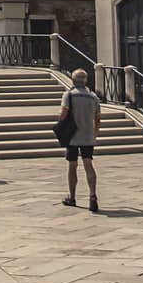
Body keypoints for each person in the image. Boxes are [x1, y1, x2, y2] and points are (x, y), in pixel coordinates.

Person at [57, 68, 100, 212]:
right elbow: (98, 119)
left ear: (73, 80)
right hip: (88, 135)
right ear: (85, 80)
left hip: (73, 136)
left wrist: (60, 126)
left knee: (72, 165)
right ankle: (93, 195)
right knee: (88, 164)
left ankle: (72, 196)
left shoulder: (68, 95)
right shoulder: (93, 97)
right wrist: (94, 134)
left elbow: (63, 114)